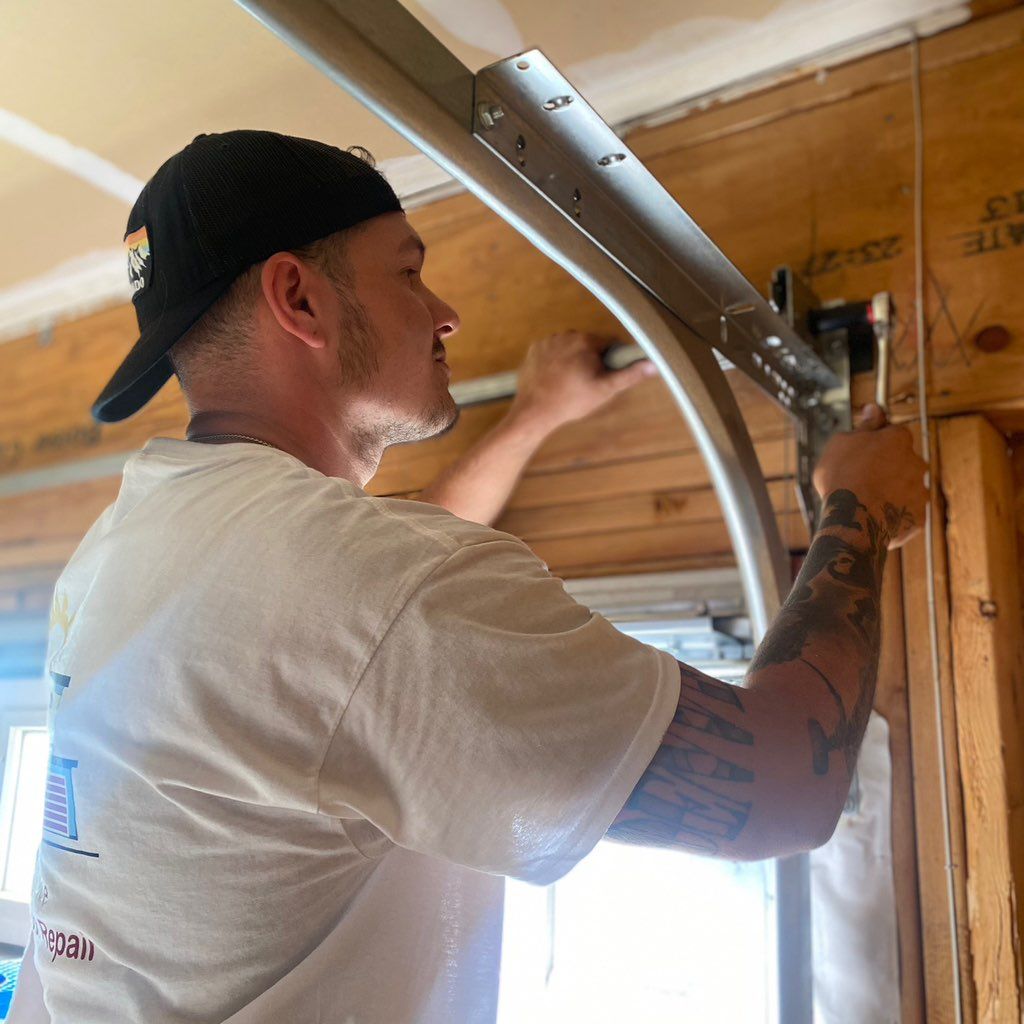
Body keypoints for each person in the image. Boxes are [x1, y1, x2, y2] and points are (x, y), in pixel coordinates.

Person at [10, 131, 927, 1024]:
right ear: (298, 297)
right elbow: (782, 786)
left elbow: (368, 626)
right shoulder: (359, 586)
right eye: (407, 272)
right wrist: (861, 509)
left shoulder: (132, 541)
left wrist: (532, 419)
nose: (443, 310)